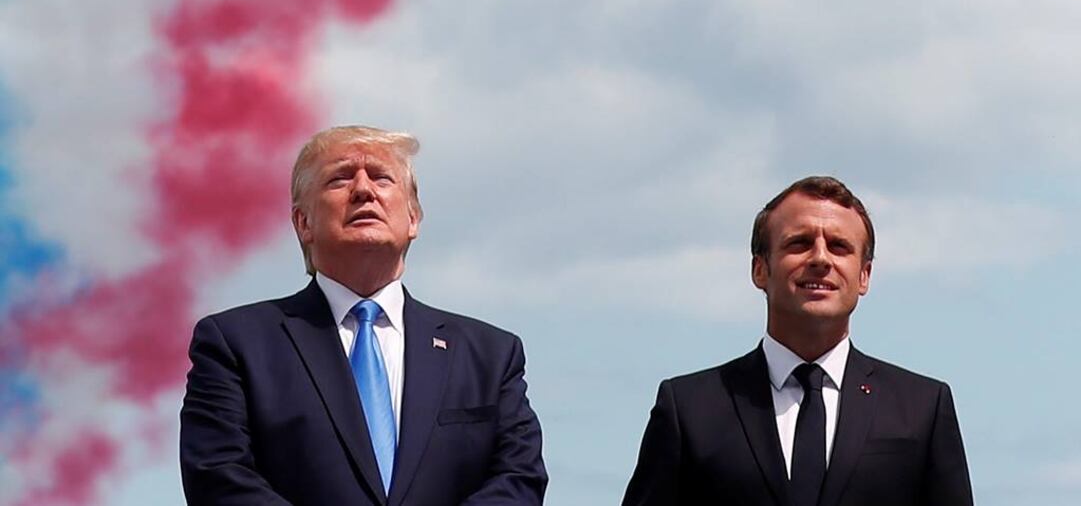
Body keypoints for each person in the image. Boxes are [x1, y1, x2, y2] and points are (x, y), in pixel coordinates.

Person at [180, 125, 547, 505]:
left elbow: (519, 479)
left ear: (413, 218)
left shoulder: (489, 355)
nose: (363, 190)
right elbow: (219, 479)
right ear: (303, 223)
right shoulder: (236, 345)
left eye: (381, 177)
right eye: (339, 179)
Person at [622, 176, 973, 506]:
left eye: (839, 246)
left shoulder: (921, 409)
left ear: (864, 275)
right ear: (760, 268)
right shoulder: (690, 410)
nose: (820, 258)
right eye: (799, 243)